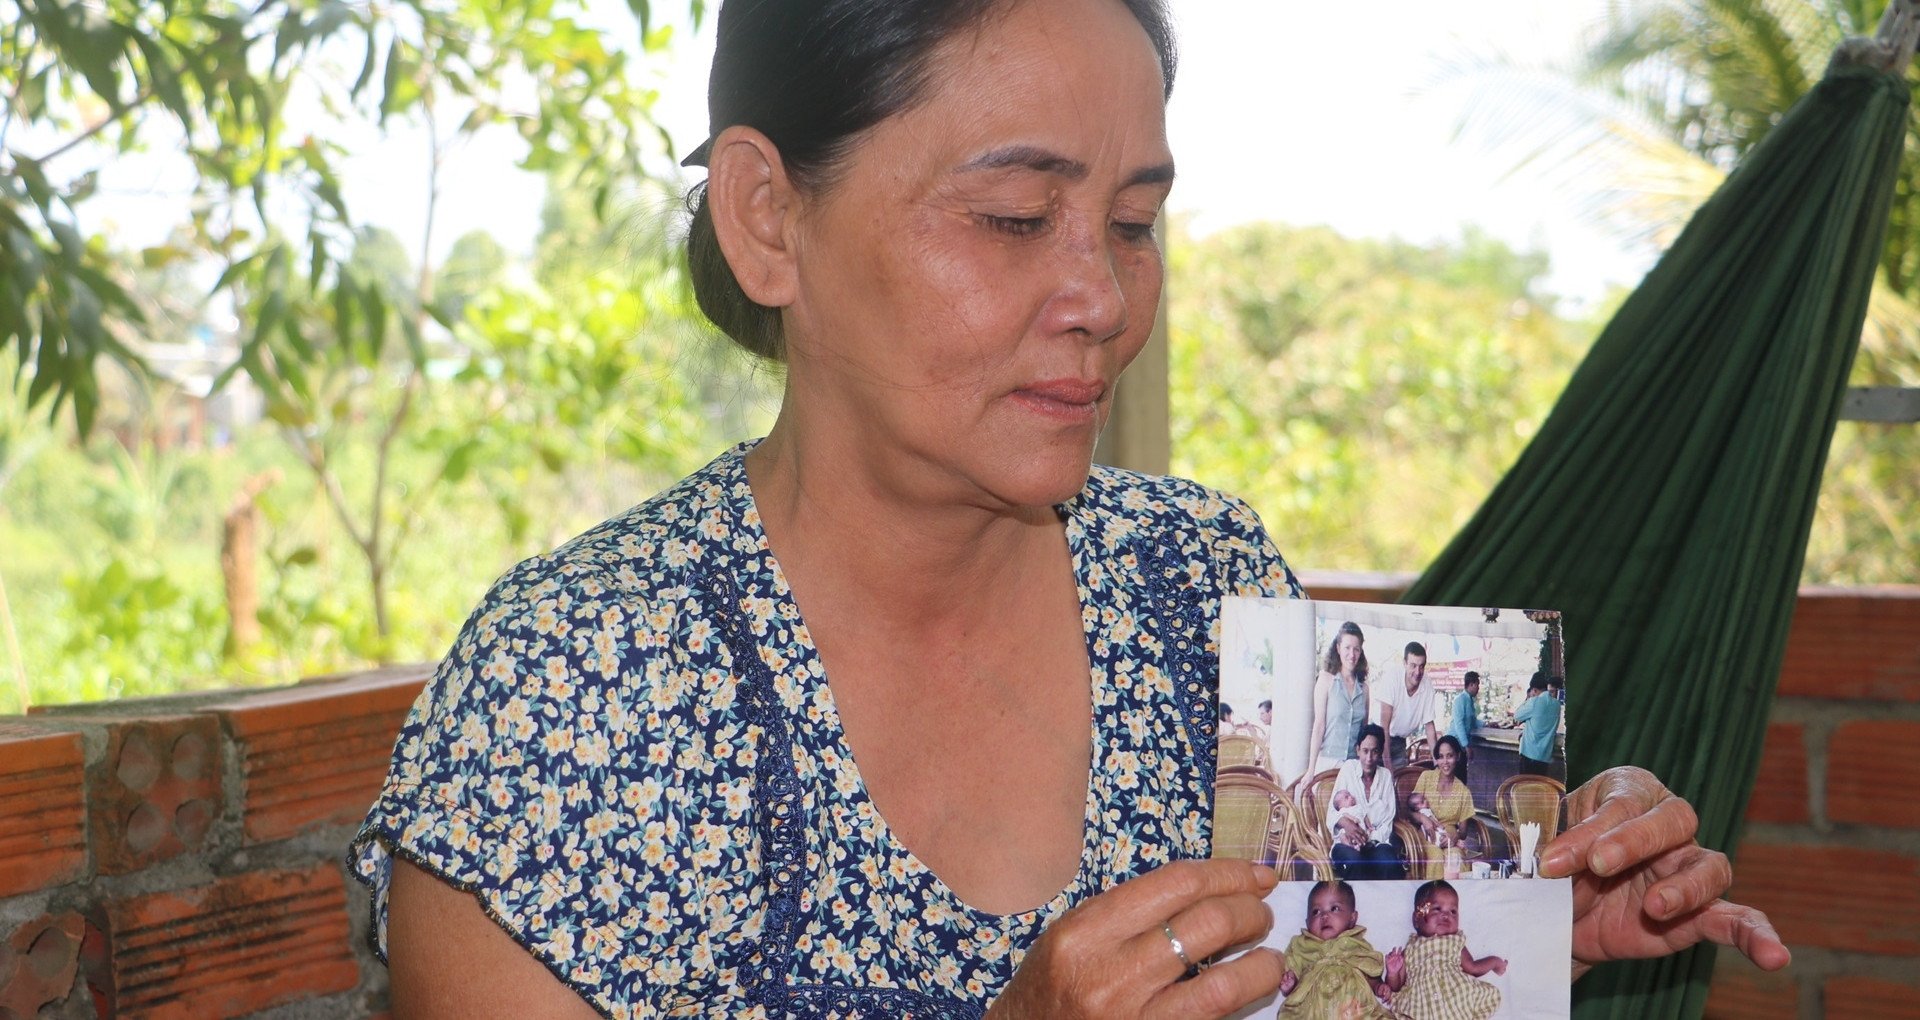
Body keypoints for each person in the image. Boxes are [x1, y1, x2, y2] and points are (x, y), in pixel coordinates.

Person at [355, 1, 1791, 1016]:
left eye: (1132, 223)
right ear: (768, 218)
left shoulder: (1201, 587)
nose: (1103, 301)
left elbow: (1336, 1002)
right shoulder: (578, 696)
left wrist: (1517, 942)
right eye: (1011, 219)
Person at [1277, 880, 1402, 1019]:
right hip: (1312, 1012)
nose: (1324, 916)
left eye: (1334, 908)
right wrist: (1290, 984)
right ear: (1307, 923)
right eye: (1316, 911)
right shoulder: (1303, 945)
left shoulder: (1356, 944)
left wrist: (1378, 987)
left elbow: (1369, 974)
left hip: (1353, 1011)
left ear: (1352, 918)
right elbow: (1292, 970)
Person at [1395, 880, 1505, 1020]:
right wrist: (1393, 972)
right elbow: (1397, 985)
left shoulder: (1455, 942)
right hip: (1420, 1006)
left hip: (1455, 999)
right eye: (1437, 909)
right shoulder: (1410, 948)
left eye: (1453, 911)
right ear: (1417, 919)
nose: (1446, 915)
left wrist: (1494, 962)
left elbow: (1472, 968)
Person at [1326, 724, 1402, 881]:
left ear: (1380, 752)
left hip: (1376, 843)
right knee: (1355, 862)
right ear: (1357, 750)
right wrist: (1347, 824)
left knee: (1389, 862)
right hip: (1347, 844)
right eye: (1365, 751)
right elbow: (1331, 814)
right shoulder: (1348, 769)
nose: (1369, 758)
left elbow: (1387, 823)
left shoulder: (1386, 776)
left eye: (1374, 752)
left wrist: (1369, 838)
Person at [1411, 736, 1479, 878]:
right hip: (1425, 833)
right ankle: (1433, 896)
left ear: (1458, 756)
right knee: (1436, 857)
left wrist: (1454, 837)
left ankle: (1457, 898)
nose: (1445, 762)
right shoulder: (1426, 777)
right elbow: (1409, 812)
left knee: (1455, 858)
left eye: (1450, 756)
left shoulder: (1463, 791)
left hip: (1449, 837)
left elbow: (1464, 832)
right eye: (1441, 757)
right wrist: (1423, 818)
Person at [1308, 621, 1371, 773]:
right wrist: (1311, 770)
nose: (1352, 654)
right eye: (1347, 648)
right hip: (1327, 763)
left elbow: (1363, 732)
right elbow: (1318, 727)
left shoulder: (1364, 689)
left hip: (1353, 766)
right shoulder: (1325, 680)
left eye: (1356, 649)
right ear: (1338, 648)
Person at [1374, 640, 1438, 766]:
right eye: (1413, 665)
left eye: (1421, 666)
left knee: (1400, 782)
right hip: (1378, 737)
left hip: (1400, 742)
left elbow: (1429, 727)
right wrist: (1388, 768)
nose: (1418, 672)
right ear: (1404, 663)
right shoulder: (1392, 678)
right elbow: (1384, 727)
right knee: (1378, 781)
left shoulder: (1427, 684)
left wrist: (1437, 763)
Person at [1515, 672, 1563, 776]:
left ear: (1534, 690)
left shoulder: (1534, 702)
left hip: (1529, 755)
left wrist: (1529, 698)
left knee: (1524, 789)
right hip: (1545, 756)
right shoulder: (1557, 705)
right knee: (1539, 788)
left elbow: (1517, 716)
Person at [1448, 670, 1481, 761]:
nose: (1478, 688)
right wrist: (1466, 745)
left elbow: (1472, 722)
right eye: (1477, 685)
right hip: (1454, 742)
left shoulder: (1470, 701)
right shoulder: (1460, 700)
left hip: (1462, 743)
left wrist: (1487, 724)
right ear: (1471, 684)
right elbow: (1459, 725)